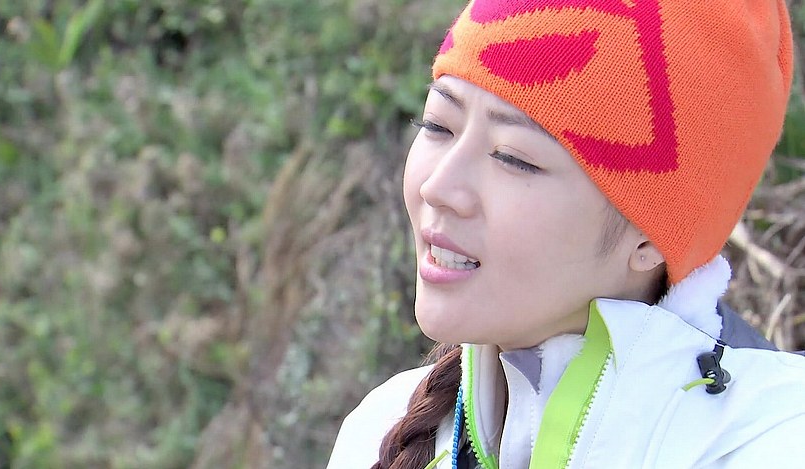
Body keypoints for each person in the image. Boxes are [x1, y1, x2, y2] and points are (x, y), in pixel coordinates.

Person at [328, 0, 805, 467]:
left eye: (513, 157)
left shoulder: (775, 442)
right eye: (438, 126)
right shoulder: (378, 432)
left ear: (650, 238)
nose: (437, 187)